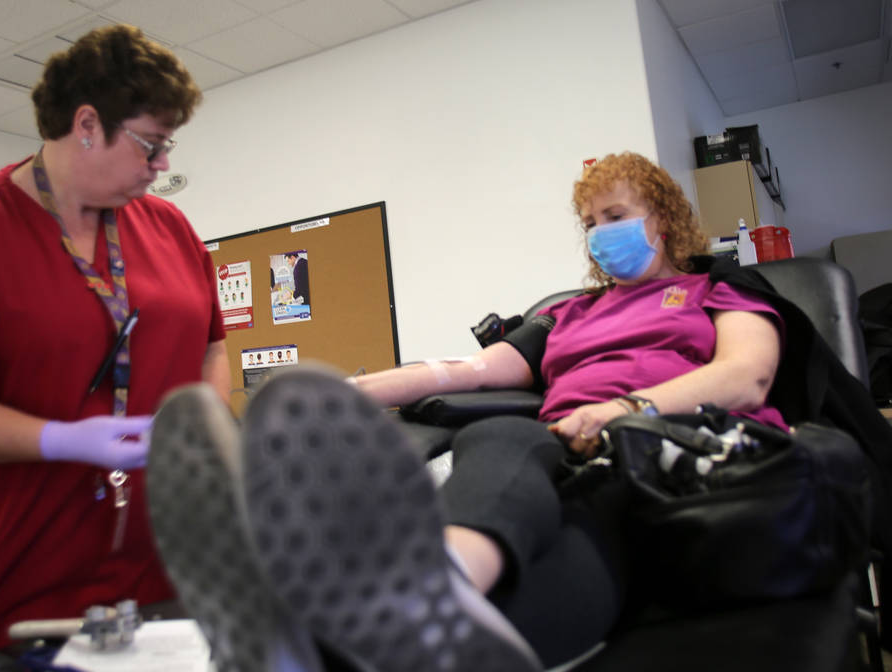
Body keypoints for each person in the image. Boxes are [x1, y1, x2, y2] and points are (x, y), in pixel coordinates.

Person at [146, 152, 785, 672]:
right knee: (509, 480)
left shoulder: (717, 289)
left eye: (614, 214)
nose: (599, 232)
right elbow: (467, 371)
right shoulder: (569, 314)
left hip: (674, 450)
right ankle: (318, 629)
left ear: (662, 217)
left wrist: (624, 408)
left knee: (532, 459)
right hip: (569, 463)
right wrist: (351, 392)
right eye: (590, 221)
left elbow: (745, 377)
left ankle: (423, 586)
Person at [0, 24, 227, 647]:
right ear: (87, 124)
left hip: (160, 571)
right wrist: (58, 439)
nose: (163, 166)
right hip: (7, 580)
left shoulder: (169, 229)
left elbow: (212, 343)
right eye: (151, 145)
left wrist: (203, 426)